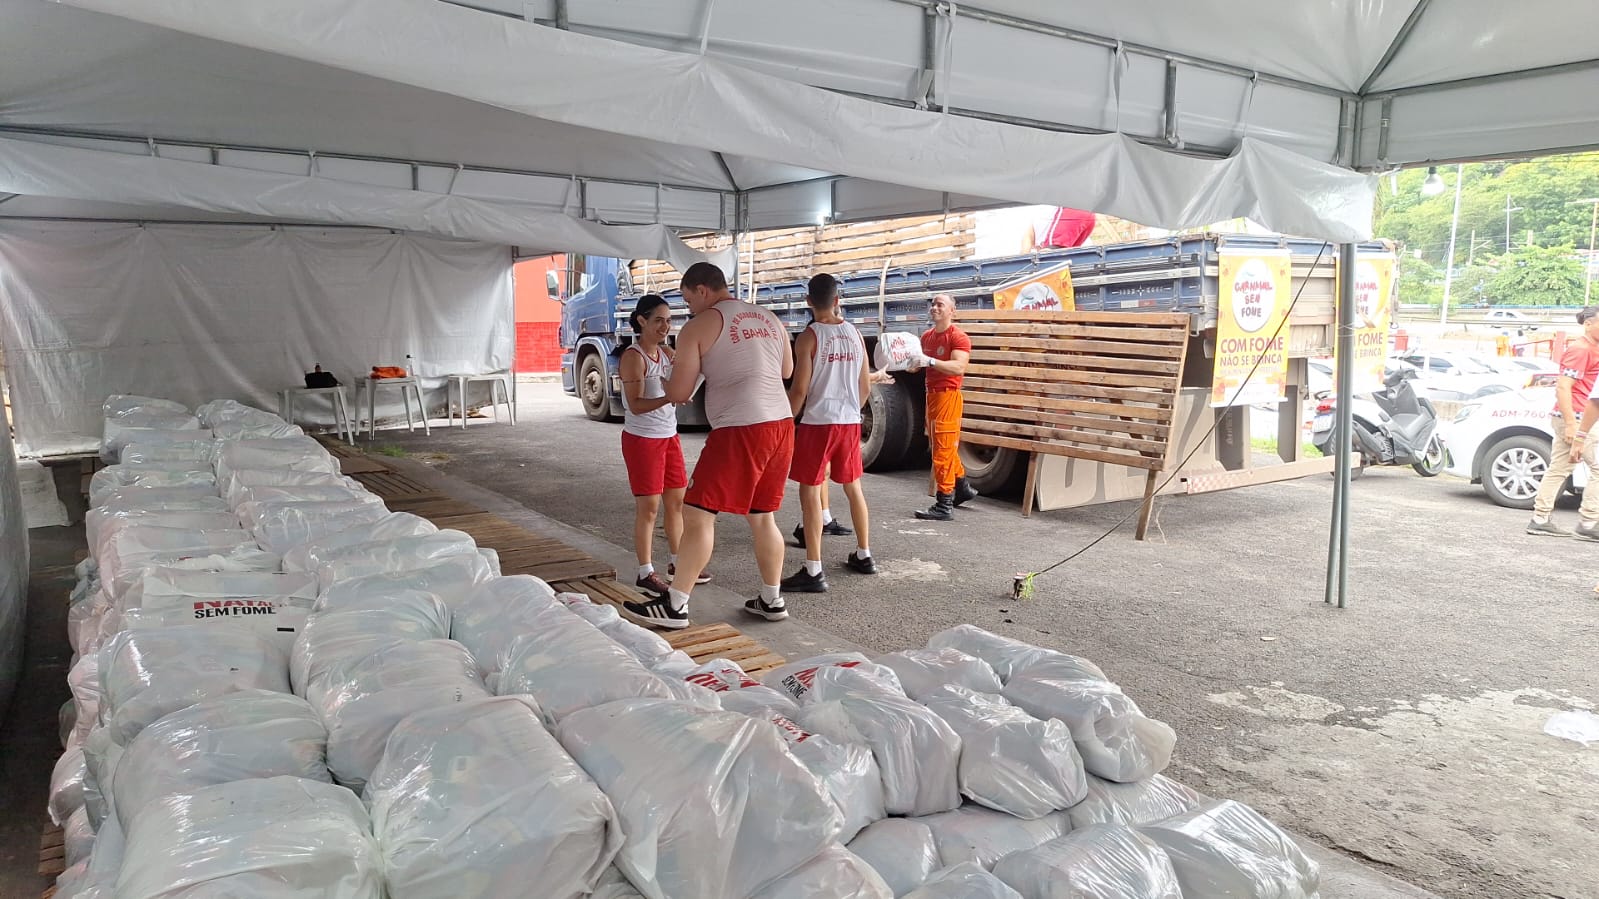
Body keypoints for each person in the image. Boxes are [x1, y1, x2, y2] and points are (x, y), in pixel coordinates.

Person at [621, 261, 795, 628]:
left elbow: (680, 392)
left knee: (698, 512)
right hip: (781, 425)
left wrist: (669, 381)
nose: (688, 310)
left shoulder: (700, 325)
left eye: (688, 300)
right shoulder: (768, 318)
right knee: (762, 516)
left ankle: (675, 605)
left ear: (702, 290)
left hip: (740, 428)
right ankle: (771, 598)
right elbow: (786, 371)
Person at [781, 274, 877, 593]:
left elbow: (800, 389)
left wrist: (785, 421)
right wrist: (849, 410)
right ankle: (864, 554)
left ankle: (814, 569)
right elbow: (864, 386)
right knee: (853, 487)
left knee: (810, 492)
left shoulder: (808, 338)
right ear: (837, 300)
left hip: (818, 423)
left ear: (809, 301)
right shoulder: (855, 334)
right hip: (849, 421)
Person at [616, 294, 708, 600]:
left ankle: (677, 562)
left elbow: (686, 377)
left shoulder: (667, 353)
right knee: (649, 507)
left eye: (668, 321)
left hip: (669, 436)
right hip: (642, 440)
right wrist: (671, 396)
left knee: (676, 502)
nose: (665, 327)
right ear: (641, 321)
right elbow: (635, 405)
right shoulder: (633, 357)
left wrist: (684, 386)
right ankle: (645, 571)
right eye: (658, 321)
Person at [1528, 306, 1599, 538]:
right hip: (1577, 418)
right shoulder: (1581, 349)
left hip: (1575, 417)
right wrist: (1571, 424)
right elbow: (1563, 387)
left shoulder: (1592, 348)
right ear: (1588, 324)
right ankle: (1589, 522)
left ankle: (1540, 519)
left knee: (1559, 469)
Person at [909, 293, 979, 520]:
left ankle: (944, 503)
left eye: (940, 304)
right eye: (933, 304)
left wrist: (930, 361)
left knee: (942, 450)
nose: (934, 308)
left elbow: (958, 367)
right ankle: (962, 487)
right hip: (932, 396)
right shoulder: (927, 337)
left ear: (952, 311)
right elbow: (917, 366)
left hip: (948, 396)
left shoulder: (958, 337)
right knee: (943, 446)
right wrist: (907, 362)